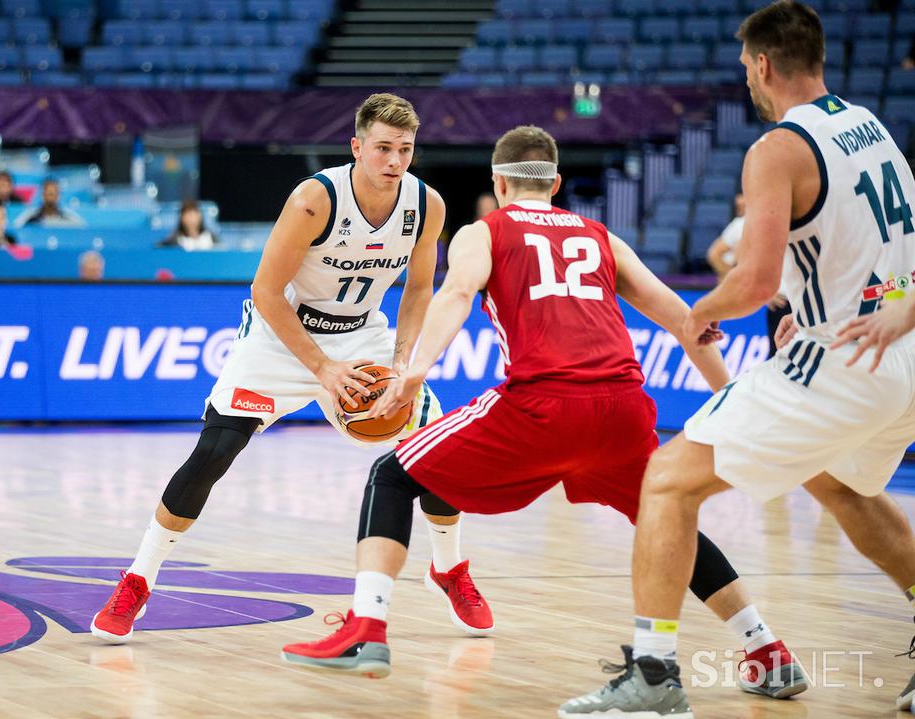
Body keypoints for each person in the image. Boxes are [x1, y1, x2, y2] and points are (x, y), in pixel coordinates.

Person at [280, 126, 805, 705]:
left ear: (499, 183)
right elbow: (687, 322)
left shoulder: (484, 231)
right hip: (625, 412)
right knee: (668, 519)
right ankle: (764, 648)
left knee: (393, 473)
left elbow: (454, 296)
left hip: (543, 406)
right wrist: (728, 395)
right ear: (555, 184)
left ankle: (367, 630)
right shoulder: (600, 234)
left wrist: (414, 373)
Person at [566, 2, 915, 715]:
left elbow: (752, 280)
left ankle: (654, 675)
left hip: (840, 361)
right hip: (899, 353)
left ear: (761, 65)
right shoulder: (871, 126)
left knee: (665, 482)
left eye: (745, 68)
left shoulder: (777, 148)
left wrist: (702, 311)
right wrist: (810, 306)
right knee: (840, 484)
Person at [90, 93, 495, 644]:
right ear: (357, 147)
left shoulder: (427, 206)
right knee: (214, 452)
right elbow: (265, 291)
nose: (395, 160)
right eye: (383, 148)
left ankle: (447, 568)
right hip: (284, 334)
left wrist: (402, 364)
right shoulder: (315, 199)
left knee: (436, 447)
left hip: (363, 332)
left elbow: (420, 288)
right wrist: (322, 368)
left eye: (405, 149)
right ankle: (138, 579)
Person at [708, 192, 790, 357]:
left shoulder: (764, 223)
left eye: (744, 196)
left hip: (790, 299)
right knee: (781, 357)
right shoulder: (744, 224)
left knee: (782, 357)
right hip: (783, 300)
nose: (739, 201)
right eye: (739, 196)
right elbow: (716, 255)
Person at [14, 179, 85, 227]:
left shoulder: (70, 217)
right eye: (48, 193)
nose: (51, 197)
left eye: (53, 194)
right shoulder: (29, 217)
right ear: (42, 195)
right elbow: (17, 227)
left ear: (59, 195)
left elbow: (82, 229)